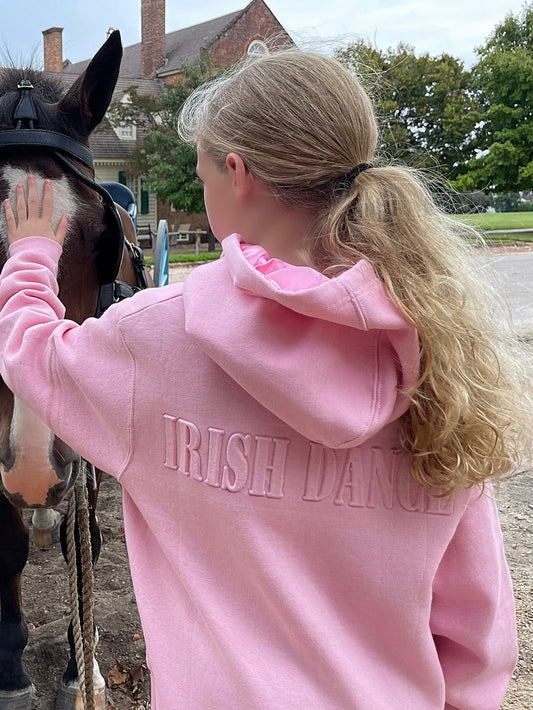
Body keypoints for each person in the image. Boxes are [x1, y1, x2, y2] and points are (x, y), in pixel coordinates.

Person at [0, 49, 531, 710]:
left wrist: (31, 251)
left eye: (201, 173)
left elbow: (31, 356)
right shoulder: (442, 360)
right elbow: (477, 636)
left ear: (236, 174)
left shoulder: (157, 338)